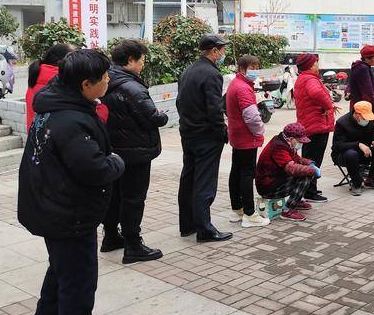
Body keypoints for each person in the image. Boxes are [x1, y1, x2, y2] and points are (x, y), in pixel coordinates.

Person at [18, 49, 125, 315]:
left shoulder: (56, 105)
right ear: (85, 84)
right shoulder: (70, 120)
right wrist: (116, 161)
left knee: (62, 267)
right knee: (78, 277)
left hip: (51, 203)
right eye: (103, 77)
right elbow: (94, 168)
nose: (108, 81)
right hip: (68, 211)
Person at [101, 39, 168, 263]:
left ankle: (111, 236)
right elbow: (153, 117)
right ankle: (133, 245)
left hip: (114, 150)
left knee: (115, 196)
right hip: (135, 152)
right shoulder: (132, 87)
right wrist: (162, 115)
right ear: (130, 60)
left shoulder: (106, 80)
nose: (143, 64)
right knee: (133, 198)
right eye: (142, 60)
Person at [176, 34, 231, 242]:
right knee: (204, 183)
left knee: (188, 179)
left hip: (188, 133)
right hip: (206, 136)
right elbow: (214, 109)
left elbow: (180, 102)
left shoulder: (188, 70)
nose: (224, 53)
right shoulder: (212, 74)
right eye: (222, 50)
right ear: (214, 50)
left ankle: (187, 225)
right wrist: (221, 132)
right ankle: (205, 229)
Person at [225, 54, 269, 228]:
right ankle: (249, 214)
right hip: (246, 137)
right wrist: (260, 132)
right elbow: (251, 117)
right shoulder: (243, 88)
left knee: (236, 171)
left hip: (237, 136)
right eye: (252, 68)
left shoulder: (235, 84)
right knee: (246, 174)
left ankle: (237, 209)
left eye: (257, 67)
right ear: (242, 68)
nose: (255, 71)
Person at [255, 122, 319, 221]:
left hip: (277, 179)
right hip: (268, 187)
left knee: (305, 171)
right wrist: (312, 170)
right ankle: (288, 210)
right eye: (299, 141)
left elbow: (297, 159)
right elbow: (291, 168)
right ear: (291, 139)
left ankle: (296, 201)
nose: (301, 144)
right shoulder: (278, 147)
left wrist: (310, 163)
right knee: (305, 176)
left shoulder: (285, 143)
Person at [294, 52, 334, 204]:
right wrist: (328, 105)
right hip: (316, 125)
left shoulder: (303, 78)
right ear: (311, 65)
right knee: (313, 159)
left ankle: (309, 188)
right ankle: (310, 191)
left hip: (309, 123)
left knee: (310, 158)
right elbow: (316, 93)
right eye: (316, 62)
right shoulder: (310, 79)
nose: (318, 65)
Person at [331, 101, 374, 195]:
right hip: (345, 154)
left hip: (365, 152)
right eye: (364, 117)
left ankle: (371, 179)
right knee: (351, 154)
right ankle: (356, 183)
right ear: (356, 114)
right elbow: (338, 146)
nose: (367, 120)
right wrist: (358, 145)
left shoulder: (370, 121)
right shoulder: (342, 123)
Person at [26, 44, 73, 130]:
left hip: (35, 134)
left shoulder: (36, 76)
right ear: (61, 61)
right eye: (73, 58)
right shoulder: (63, 82)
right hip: (54, 135)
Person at [348, 45, 374, 120]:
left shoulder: (357, 67)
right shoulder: (363, 69)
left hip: (357, 106)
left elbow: (350, 84)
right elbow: (368, 93)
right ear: (366, 58)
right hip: (364, 109)